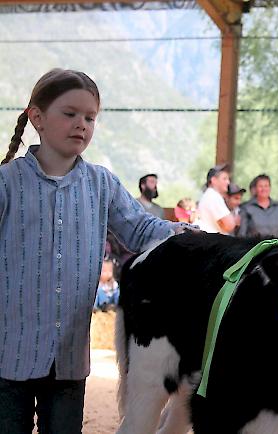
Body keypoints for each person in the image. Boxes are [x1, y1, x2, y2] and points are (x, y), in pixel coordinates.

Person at [0, 68, 193, 434]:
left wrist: (186, 233)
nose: (82, 125)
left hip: (70, 359)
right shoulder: (7, 183)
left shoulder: (101, 183)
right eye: (70, 114)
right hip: (8, 354)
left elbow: (140, 229)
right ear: (37, 118)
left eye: (90, 118)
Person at [238, 174, 278, 239]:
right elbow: (242, 234)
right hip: (256, 247)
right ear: (255, 188)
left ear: (270, 188)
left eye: (266, 186)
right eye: (260, 186)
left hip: (276, 247)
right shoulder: (246, 208)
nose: (263, 189)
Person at [197, 164, 236, 234]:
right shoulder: (213, 196)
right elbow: (229, 225)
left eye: (228, 179)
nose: (228, 182)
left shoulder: (209, 195)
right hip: (214, 241)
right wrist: (235, 219)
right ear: (214, 180)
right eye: (224, 179)